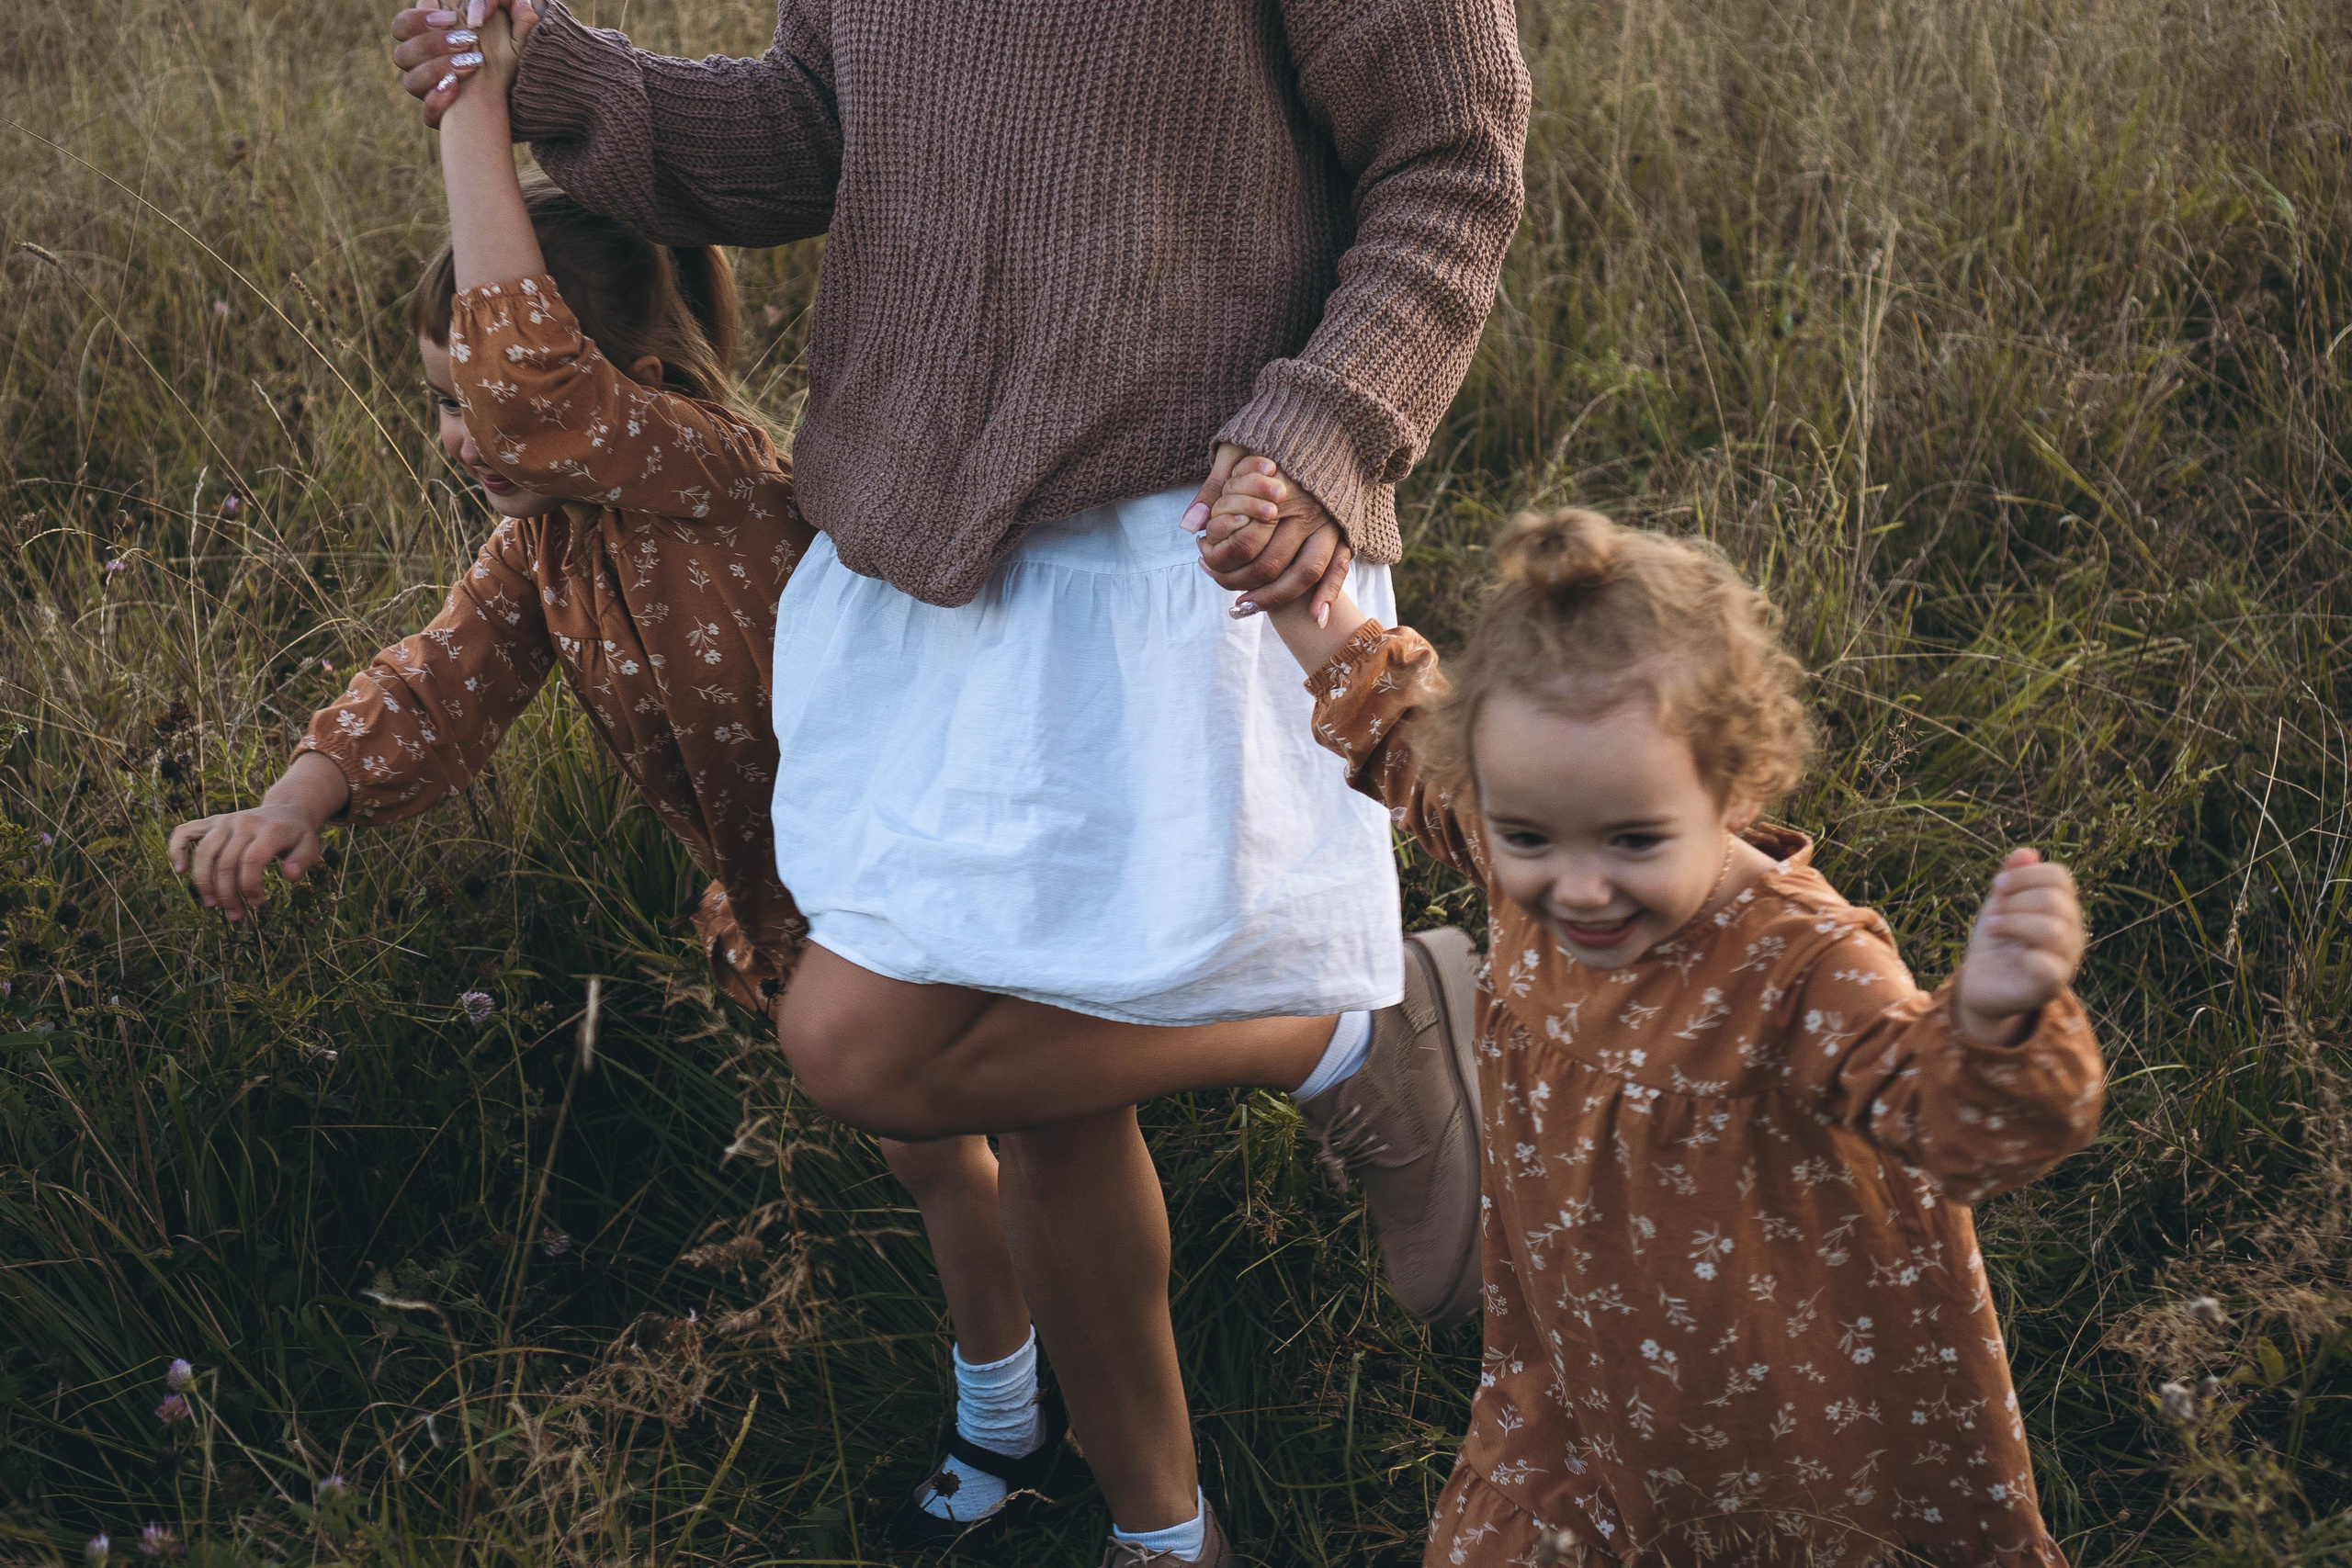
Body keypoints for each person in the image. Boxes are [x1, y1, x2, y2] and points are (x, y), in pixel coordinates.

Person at [391, 2, 1530, 1560]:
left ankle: (1353, 1026)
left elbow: (1451, 156)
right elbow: (819, 127)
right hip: (928, 544)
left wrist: (1326, 434)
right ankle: (1166, 1526)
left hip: (1179, 538)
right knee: (1053, 1104)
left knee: (863, 1045)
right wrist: (556, 72)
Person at [163, 53, 1055, 1547]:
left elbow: (534, 388)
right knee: (947, 1140)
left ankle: (1012, 1415)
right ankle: (1035, 1360)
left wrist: (476, 100)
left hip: (904, 858)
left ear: (614, 375)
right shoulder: (552, 541)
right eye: (439, 402)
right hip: (792, 890)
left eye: (478, 396)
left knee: (949, 1144)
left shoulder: (696, 467)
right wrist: (297, 799)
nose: (463, 432)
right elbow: (441, 672)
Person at [1247, 499, 2106, 1564]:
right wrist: (1295, 594)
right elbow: (1399, 730)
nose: (1580, 887)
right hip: (1584, 1371)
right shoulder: (1538, 829)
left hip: (1794, 1414)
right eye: (1527, 837)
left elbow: (1962, 1129)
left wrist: (1992, 1018)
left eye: (1634, 840)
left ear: (1733, 785)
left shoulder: (1801, 965)